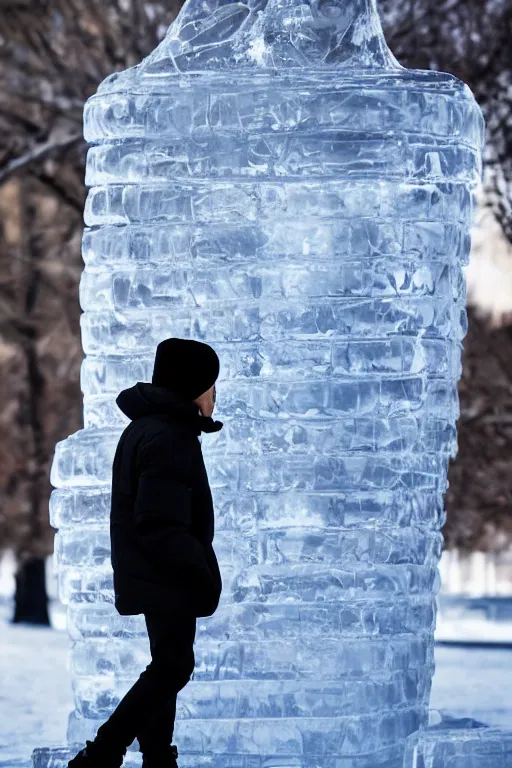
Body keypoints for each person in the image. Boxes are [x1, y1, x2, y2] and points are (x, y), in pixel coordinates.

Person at [68, 338, 223, 768]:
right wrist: (198, 569)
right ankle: (103, 752)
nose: (215, 396)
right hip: (166, 575)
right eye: (211, 386)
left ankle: (157, 755)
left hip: (158, 573)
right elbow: (158, 524)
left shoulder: (153, 428)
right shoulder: (169, 437)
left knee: (168, 664)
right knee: (173, 667)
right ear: (193, 387)